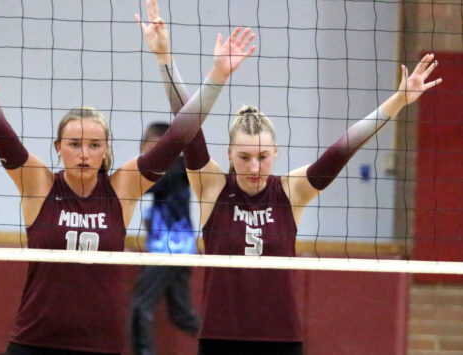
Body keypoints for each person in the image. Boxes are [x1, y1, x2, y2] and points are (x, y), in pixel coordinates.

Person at [0, 15, 255, 354]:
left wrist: (204, 72)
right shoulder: (39, 183)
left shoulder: (122, 188)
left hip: (101, 343)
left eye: (95, 145)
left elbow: (179, 136)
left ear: (107, 150)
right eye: (74, 144)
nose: (84, 154)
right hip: (34, 341)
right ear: (58, 148)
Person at [136, 2, 442, 354]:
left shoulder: (290, 191)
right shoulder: (213, 186)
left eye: (263, 157)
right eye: (245, 157)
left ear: (276, 154)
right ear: (229, 155)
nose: (254, 167)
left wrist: (398, 101)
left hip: (281, 339)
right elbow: (186, 128)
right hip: (220, 338)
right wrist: (165, 58)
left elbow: (341, 150)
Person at [130, 122, 199, 355]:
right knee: (182, 315)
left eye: (150, 146)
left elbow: (140, 185)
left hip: (169, 251)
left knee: (141, 306)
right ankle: (224, 344)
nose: (145, 153)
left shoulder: (175, 168)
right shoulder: (174, 172)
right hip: (178, 251)